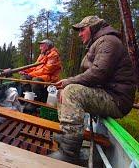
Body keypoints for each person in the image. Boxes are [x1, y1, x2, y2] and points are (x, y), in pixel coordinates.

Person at [49, 15, 136, 165]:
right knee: (64, 90)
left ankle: (69, 152)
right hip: (108, 93)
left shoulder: (109, 42)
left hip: (117, 99)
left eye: (82, 30)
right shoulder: (100, 42)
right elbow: (94, 74)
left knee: (71, 92)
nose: (80, 34)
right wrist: (68, 83)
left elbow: (98, 74)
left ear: (93, 28)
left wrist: (69, 82)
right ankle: (67, 135)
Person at [19, 39, 62, 112]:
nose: (40, 47)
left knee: (35, 81)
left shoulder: (54, 55)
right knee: (23, 77)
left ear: (47, 46)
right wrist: (25, 71)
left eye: (42, 45)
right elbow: (34, 66)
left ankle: (35, 103)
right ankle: (28, 99)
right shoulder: (41, 55)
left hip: (50, 77)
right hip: (40, 75)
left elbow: (47, 70)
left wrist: (30, 74)